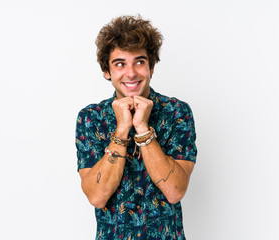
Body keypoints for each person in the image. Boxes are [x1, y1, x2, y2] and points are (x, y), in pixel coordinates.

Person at [75, 15, 197, 240]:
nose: (131, 73)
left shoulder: (177, 112)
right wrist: (122, 130)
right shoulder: (91, 118)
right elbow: (97, 196)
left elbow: (175, 191)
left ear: (151, 68)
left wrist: (142, 128)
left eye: (139, 62)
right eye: (120, 64)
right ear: (107, 71)